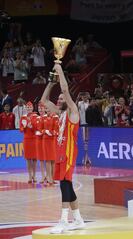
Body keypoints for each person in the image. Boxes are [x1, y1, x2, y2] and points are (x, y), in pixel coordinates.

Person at [41, 63, 85, 233]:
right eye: (58, 99)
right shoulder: (60, 114)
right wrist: (51, 83)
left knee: (65, 185)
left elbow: (66, 91)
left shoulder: (73, 112)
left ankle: (64, 221)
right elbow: (44, 101)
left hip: (68, 153)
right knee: (66, 185)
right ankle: (79, 219)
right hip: (59, 153)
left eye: (61, 99)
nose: (59, 101)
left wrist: (59, 69)